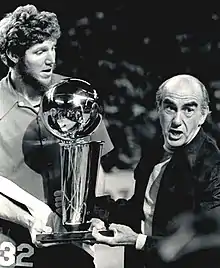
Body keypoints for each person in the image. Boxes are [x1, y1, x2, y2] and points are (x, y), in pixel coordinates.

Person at [0, 4, 113, 268]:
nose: (51, 59)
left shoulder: (76, 96)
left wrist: (94, 215)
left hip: (70, 243)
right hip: (10, 244)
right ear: (14, 55)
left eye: (53, 48)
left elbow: (96, 168)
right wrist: (30, 219)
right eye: (40, 52)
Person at [91, 74, 220, 268]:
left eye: (188, 110)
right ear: (158, 108)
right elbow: (141, 209)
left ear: (203, 115)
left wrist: (137, 241)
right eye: (170, 107)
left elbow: (206, 244)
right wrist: (92, 210)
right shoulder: (156, 148)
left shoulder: (212, 164)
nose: (177, 120)